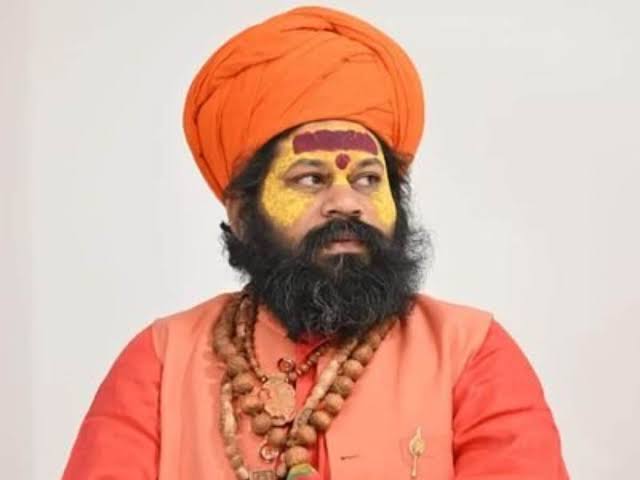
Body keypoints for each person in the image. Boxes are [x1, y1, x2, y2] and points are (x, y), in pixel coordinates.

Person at [62, 6, 569, 480]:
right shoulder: (161, 360)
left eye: (368, 179)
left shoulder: (471, 352)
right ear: (242, 213)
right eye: (309, 178)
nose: (346, 203)